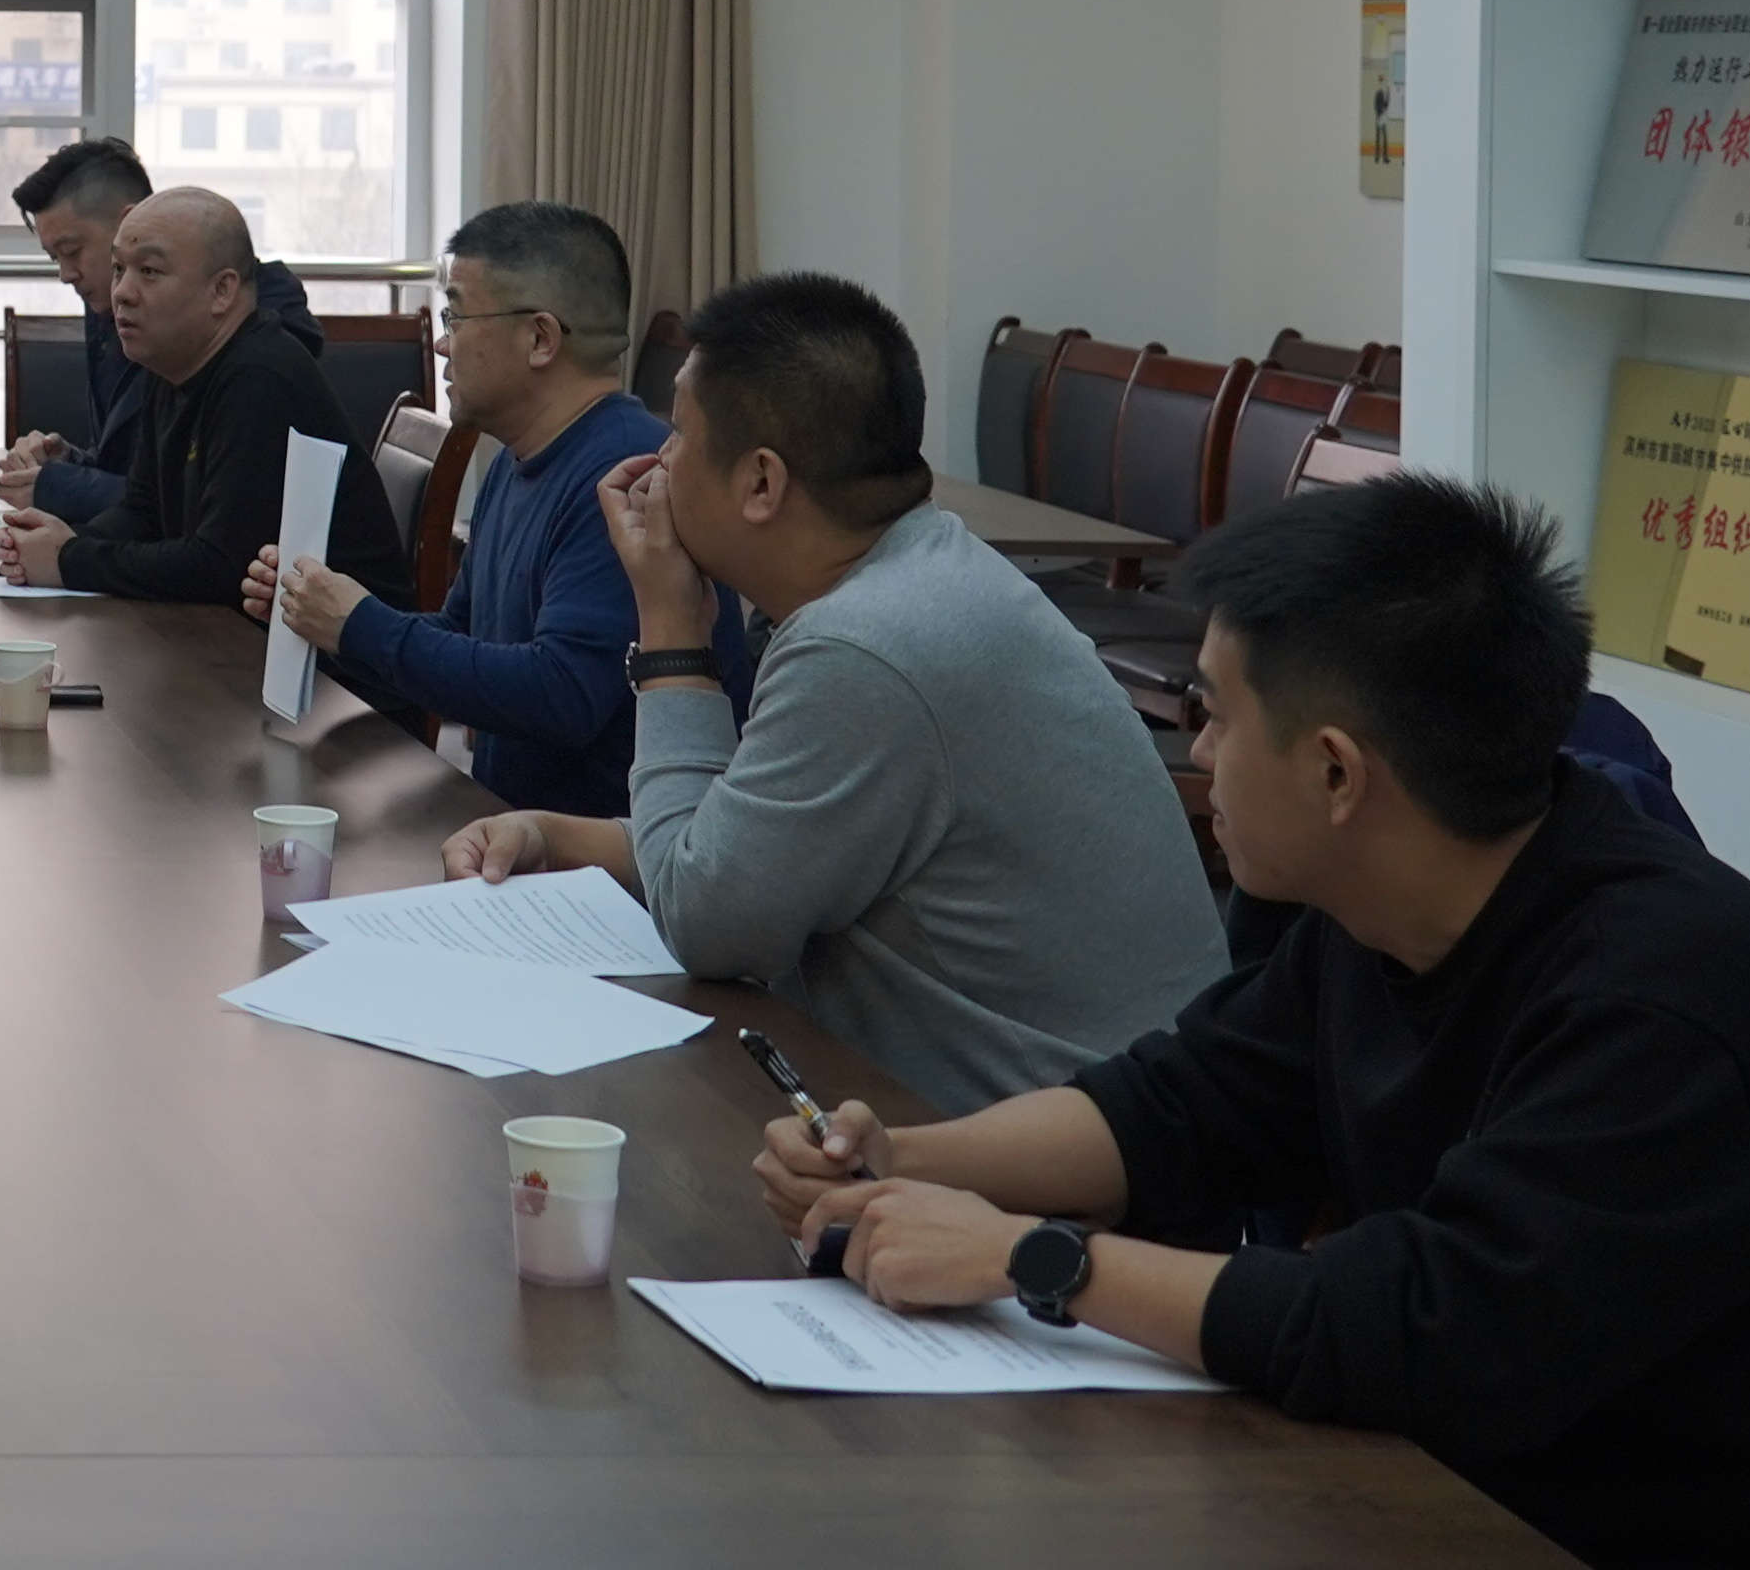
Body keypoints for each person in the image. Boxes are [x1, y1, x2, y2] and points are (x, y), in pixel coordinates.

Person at [762, 472, 1750, 1570]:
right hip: (1496, 1554)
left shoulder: (1667, 994)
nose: (1196, 752)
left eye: (1213, 714)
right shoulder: (1389, 905)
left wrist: (1034, 1261)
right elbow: (1183, 1103)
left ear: (1338, 773)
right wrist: (906, 1158)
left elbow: (1427, 1326)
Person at [438, 271, 1223, 1103]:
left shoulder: (866, 646)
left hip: (1061, 1144)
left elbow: (708, 926)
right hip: (1077, 1104)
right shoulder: (923, 565)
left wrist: (670, 630)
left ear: (762, 483)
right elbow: (762, 846)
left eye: (679, 434)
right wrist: (558, 837)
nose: (660, 462)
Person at [240, 198, 735, 816]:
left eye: (456, 316)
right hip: (505, 825)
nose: (441, 344)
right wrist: (326, 617)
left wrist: (361, 624)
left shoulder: (626, 477)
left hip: (602, 855)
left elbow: (561, 696)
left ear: (540, 338)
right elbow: (460, 637)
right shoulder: (516, 458)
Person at [0, 185, 373, 602]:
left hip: (336, 642)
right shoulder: (172, 364)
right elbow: (144, 513)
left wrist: (70, 560)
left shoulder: (260, 377)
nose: (121, 291)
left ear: (222, 291)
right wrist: (60, 541)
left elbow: (219, 567)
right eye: (119, 268)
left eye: (149, 271)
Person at [0, 136, 319, 530]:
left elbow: (190, 506)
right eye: (54, 258)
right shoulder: (111, 307)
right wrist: (71, 464)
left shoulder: (254, 335)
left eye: (73, 251)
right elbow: (138, 473)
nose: (65, 274)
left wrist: (63, 493)